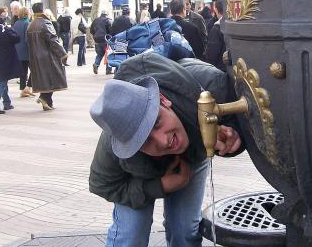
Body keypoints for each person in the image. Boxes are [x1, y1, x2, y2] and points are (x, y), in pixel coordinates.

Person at [89, 53, 243, 247]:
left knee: (185, 230)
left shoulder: (210, 87)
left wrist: (233, 138)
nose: (163, 142)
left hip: (190, 160)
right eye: (144, 141)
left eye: (156, 122)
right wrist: (159, 186)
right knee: (130, 235)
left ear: (163, 100)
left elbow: (249, 119)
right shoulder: (113, 149)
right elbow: (102, 184)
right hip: (138, 175)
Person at [27, 2, 68, 111]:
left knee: (43, 80)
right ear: (43, 10)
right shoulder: (45, 23)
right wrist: (63, 53)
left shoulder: (31, 25)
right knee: (54, 78)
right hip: (48, 56)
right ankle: (44, 97)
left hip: (35, 56)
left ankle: (47, 102)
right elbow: (53, 40)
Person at [13, 7, 35, 97]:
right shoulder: (27, 23)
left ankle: (22, 89)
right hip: (27, 50)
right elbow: (27, 39)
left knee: (23, 71)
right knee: (34, 69)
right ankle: (29, 86)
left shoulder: (16, 23)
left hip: (18, 50)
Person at [204, 0, 227, 72]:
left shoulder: (217, 28)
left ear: (216, 10)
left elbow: (212, 54)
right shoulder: (234, 24)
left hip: (220, 70)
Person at [90, 11, 112, 75]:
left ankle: (96, 64)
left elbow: (91, 30)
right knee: (108, 54)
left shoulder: (95, 20)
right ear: (106, 15)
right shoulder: (107, 20)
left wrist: (95, 35)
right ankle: (108, 69)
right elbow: (110, 30)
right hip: (105, 39)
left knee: (100, 54)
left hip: (97, 39)